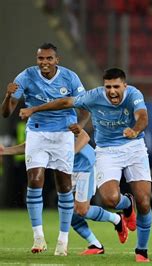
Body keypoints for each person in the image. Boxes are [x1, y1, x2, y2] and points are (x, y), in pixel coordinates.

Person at [19, 68, 152, 263]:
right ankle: (126, 205)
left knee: (144, 202)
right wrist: (34, 109)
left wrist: (134, 130)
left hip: (134, 147)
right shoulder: (94, 96)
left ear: (125, 85)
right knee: (110, 200)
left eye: (116, 86)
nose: (112, 91)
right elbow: (65, 102)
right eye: (108, 87)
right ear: (103, 86)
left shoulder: (134, 94)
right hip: (107, 151)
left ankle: (142, 250)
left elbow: (142, 117)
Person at [1, 43, 89, 255]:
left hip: (63, 134)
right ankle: (38, 237)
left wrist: (80, 127)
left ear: (57, 60)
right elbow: (7, 113)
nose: (44, 63)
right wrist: (7, 96)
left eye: (49, 59)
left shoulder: (70, 78)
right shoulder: (26, 76)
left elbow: (85, 107)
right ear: (36, 59)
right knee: (34, 180)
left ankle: (63, 239)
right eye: (41, 59)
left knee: (64, 186)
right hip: (37, 132)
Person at [0, 128, 128, 255]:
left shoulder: (63, 118)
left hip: (84, 166)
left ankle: (117, 219)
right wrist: (4, 151)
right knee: (68, 212)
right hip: (66, 170)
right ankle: (95, 244)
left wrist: (68, 154)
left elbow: (84, 137)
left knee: (82, 210)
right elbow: (30, 147)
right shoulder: (41, 124)